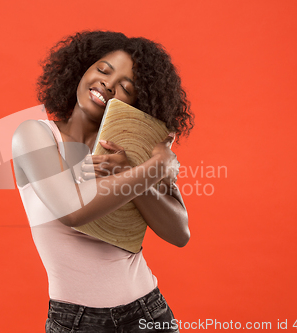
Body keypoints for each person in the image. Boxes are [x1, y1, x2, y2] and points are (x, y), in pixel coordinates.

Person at [12, 30, 194, 333]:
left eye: (126, 87)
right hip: (75, 321)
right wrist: (154, 169)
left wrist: (131, 169)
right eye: (103, 70)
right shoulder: (35, 135)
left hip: (149, 313)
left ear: (136, 102)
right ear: (82, 68)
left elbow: (179, 233)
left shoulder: (133, 150)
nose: (108, 84)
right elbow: (73, 211)